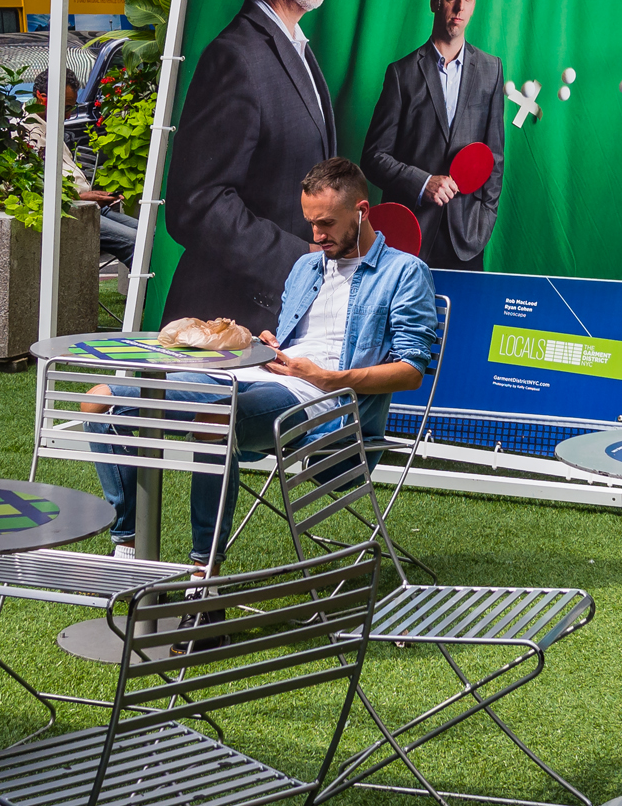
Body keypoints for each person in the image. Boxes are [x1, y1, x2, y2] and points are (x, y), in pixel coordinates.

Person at [85, 158, 438, 574]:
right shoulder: (306, 266)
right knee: (99, 400)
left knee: (215, 416)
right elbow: (294, 336)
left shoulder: (404, 273)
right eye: (310, 223)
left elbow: (411, 372)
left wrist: (327, 377)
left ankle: (204, 574)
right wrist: (264, 344)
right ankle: (125, 546)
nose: (316, 235)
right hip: (266, 374)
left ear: (361, 212)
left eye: (326, 223)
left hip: (328, 400)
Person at [164, 0, 340, 331]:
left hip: (280, 319)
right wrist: (300, 260)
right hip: (228, 326)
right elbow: (197, 203)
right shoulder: (235, 57)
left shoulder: (297, 48)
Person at [363, 0, 507, 271]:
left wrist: (483, 222)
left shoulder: (491, 70)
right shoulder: (401, 74)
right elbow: (373, 157)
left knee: (467, 320)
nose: (459, 6)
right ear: (435, 0)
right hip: (409, 238)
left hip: (466, 240)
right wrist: (423, 182)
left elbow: (494, 157)